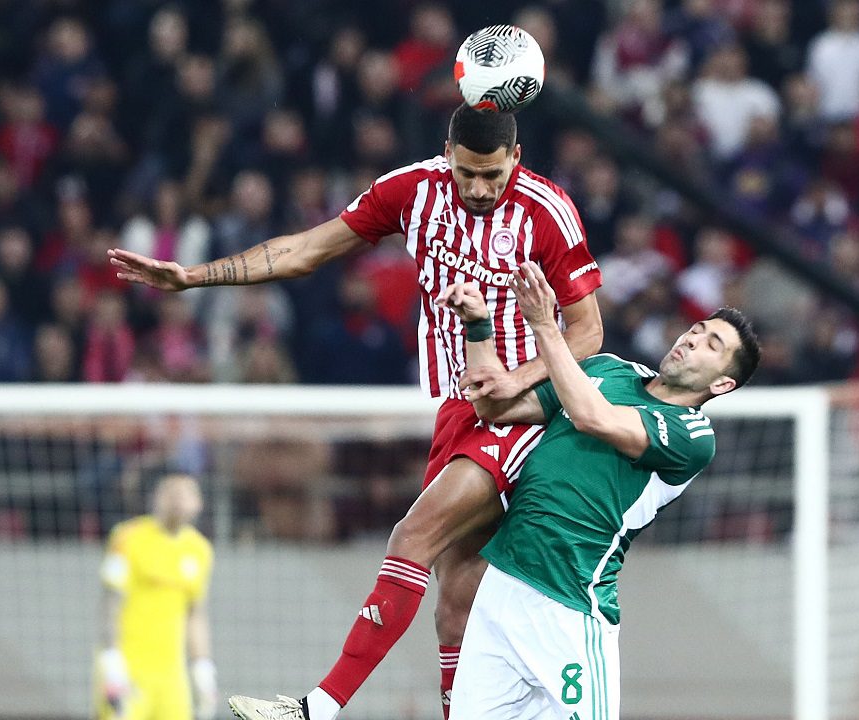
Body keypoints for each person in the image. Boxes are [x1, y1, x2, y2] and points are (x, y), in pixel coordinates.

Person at [109, 104, 604, 720]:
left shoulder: (547, 210)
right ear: (447, 154)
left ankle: (317, 707)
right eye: (468, 174)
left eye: (493, 176)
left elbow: (588, 332)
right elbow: (306, 249)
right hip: (459, 411)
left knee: (411, 537)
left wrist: (517, 379)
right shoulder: (411, 192)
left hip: (526, 412)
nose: (480, 189)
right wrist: (193, 277)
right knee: (455, 606)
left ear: (516, 159)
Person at [437, 262, 759, 719]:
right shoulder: (608, 369)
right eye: (696, 329)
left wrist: (546, 325)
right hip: (501, 587)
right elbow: (495, 408)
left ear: (722, 383)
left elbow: (595, 418)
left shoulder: (692, 434)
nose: (692, 339)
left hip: (569, 605)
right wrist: (478, 327)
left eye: (712, 345)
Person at [95, 473, 217, 720]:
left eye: (186, 493)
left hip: (172, 675)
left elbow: (195, 613)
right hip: (129, 665)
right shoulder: (127, 537)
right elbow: (111, 601)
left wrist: (202, 666)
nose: (178, 500)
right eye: (171, 492)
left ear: (199, 503)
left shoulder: (200, 550)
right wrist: (111, 657)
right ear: (156, 498)